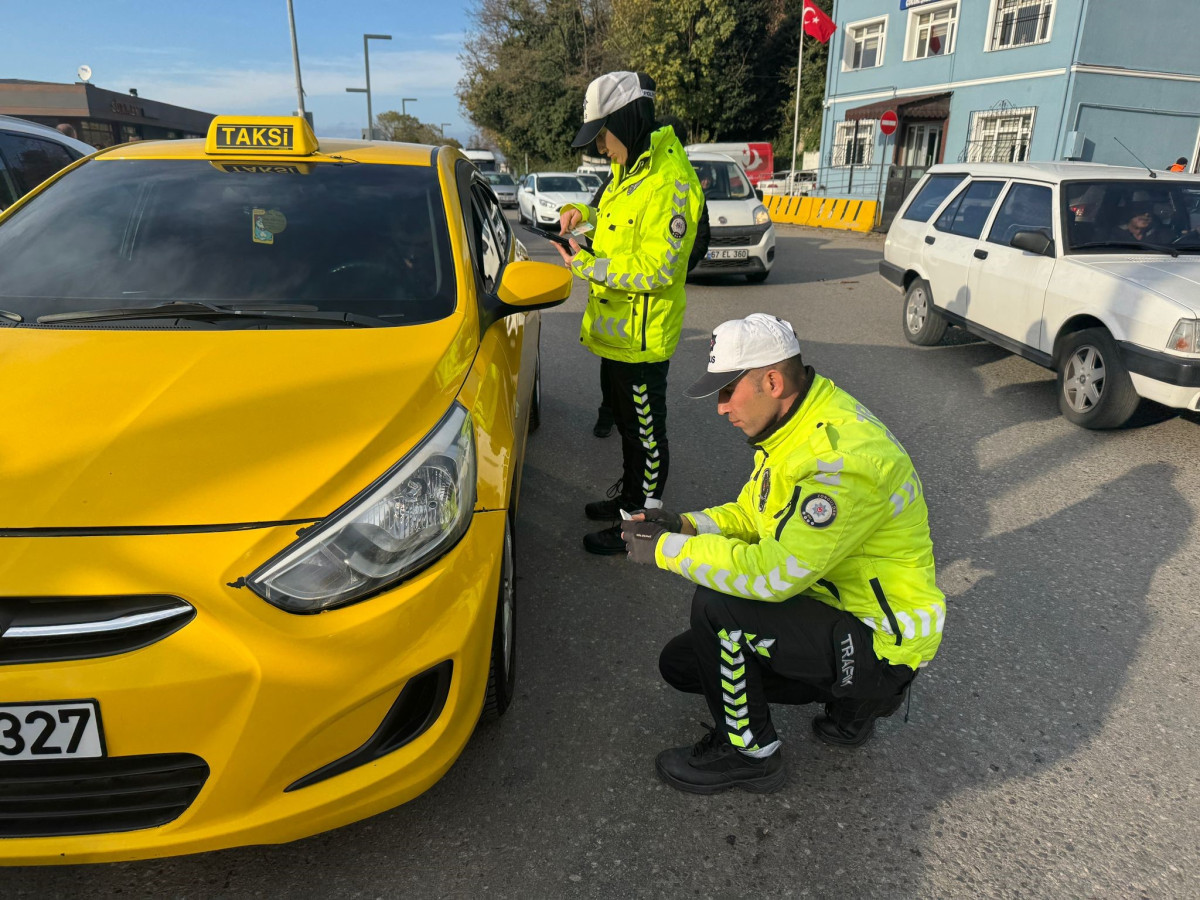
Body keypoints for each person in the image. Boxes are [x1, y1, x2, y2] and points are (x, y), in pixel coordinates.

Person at [621, 314, 946, 794]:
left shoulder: (840, 464)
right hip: (837, 608)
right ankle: (852, 705)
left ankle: (753, 754)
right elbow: (755, 515)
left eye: (727, 391)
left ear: (771, 381)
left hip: (881, 641)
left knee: (717, 608)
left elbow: (772, 575)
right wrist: (686, 524)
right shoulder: (797, 428)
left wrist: (665, 550)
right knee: (684, 665)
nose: (720, 407)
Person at [556, 71, 703, 555]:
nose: (600, 148)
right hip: (618, 334)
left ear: (626, 119)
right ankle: (629, 499)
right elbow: (617, 221)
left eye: (602, 134)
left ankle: (641, 525)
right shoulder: (631, 169)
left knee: (646, 432)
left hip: (643, 340)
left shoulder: (671, 181)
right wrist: (583, 214)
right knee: (625, 422)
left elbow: (659, 268)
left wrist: (588, 266)